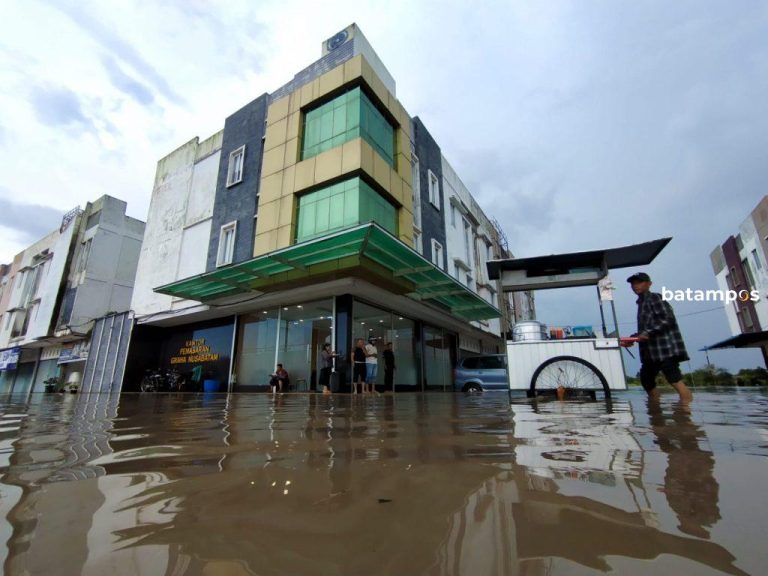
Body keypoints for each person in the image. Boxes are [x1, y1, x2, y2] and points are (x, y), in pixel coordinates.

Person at [626, 272, 693, 402]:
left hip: (665, 349)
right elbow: (646, 328)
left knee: (674, 379)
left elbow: (668, 319)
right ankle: (655, 410)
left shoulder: (655, 298)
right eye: (633, 284)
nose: (635, 286)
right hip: (650, 353)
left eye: (639, 282)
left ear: (649, 284)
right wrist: (633, 338)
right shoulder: (641, 303)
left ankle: (686, 412)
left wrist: (648, 333)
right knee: (646, 380)